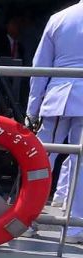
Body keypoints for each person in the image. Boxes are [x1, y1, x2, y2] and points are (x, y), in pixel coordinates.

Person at [29, 2, 83, 240]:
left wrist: (32, 109)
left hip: (58, 96)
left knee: (41, 157)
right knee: (80, 163)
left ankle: (26, 217)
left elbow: (40, 66)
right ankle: (74, 226)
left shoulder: (59, 18)